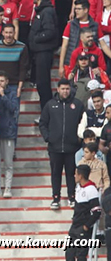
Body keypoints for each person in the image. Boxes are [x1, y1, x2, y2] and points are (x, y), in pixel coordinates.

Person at [41, 79, 85, 210]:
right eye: (63, 89)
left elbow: (83, 123)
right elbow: (43, 123)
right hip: (54, 147)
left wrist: (79, 139)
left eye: (67, 89)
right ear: (58, 89)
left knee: (72, 173)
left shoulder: (77, 104)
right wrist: (48, 137)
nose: (65, 91)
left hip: (72, 147)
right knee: (56, 173)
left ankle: (72, 197)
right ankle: (56, 198)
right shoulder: (50, 105)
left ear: (70, 89)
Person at [66, 165, 102, 261]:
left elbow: (97, 211)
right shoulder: (78, 187)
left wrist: (86, 226)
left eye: (76, 174)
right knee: (69, 255)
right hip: (75, 226)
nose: (74, 176)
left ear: (80, 176)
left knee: (81, 256)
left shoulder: (91, 189)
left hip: (83, 228)